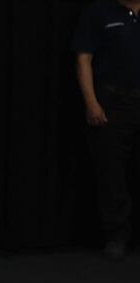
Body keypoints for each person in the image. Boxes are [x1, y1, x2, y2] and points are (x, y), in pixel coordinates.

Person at [74, 0, 140, 260]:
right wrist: (91, 102)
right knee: (112, 172)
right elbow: (83, 59)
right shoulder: (98, 12)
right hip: (113, 102)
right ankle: (117, 235)